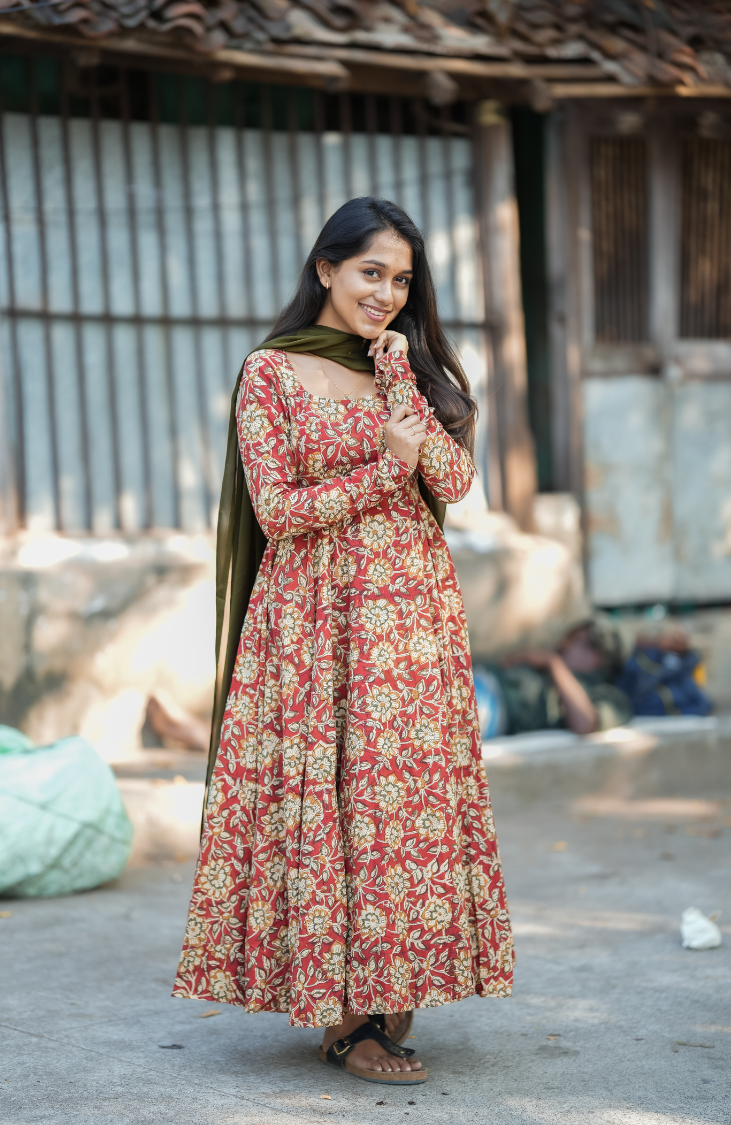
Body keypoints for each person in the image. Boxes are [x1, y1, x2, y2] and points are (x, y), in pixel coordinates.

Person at [173, 197, 513, 1085]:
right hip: (318, 624)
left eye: (402, 279)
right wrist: (378, 472)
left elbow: (456, 478)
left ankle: (388, 984)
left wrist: (403, 377)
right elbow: (279, 512)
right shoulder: (272, 373)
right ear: (325, 269)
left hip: (410, 622)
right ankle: (344, 1018)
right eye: (372, 273)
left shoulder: (406, 365)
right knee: (331, 803)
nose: (388, 293)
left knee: (396, 809)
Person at [474, 619, 632, 739]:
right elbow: (505, 664)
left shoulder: (611, 695)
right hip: (479, 679)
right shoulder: (548, 658)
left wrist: (554, 663)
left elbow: (584, 723)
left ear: (604, 662)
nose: (573, 644)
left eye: (590, 644)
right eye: (573, 636)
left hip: (494, 709)